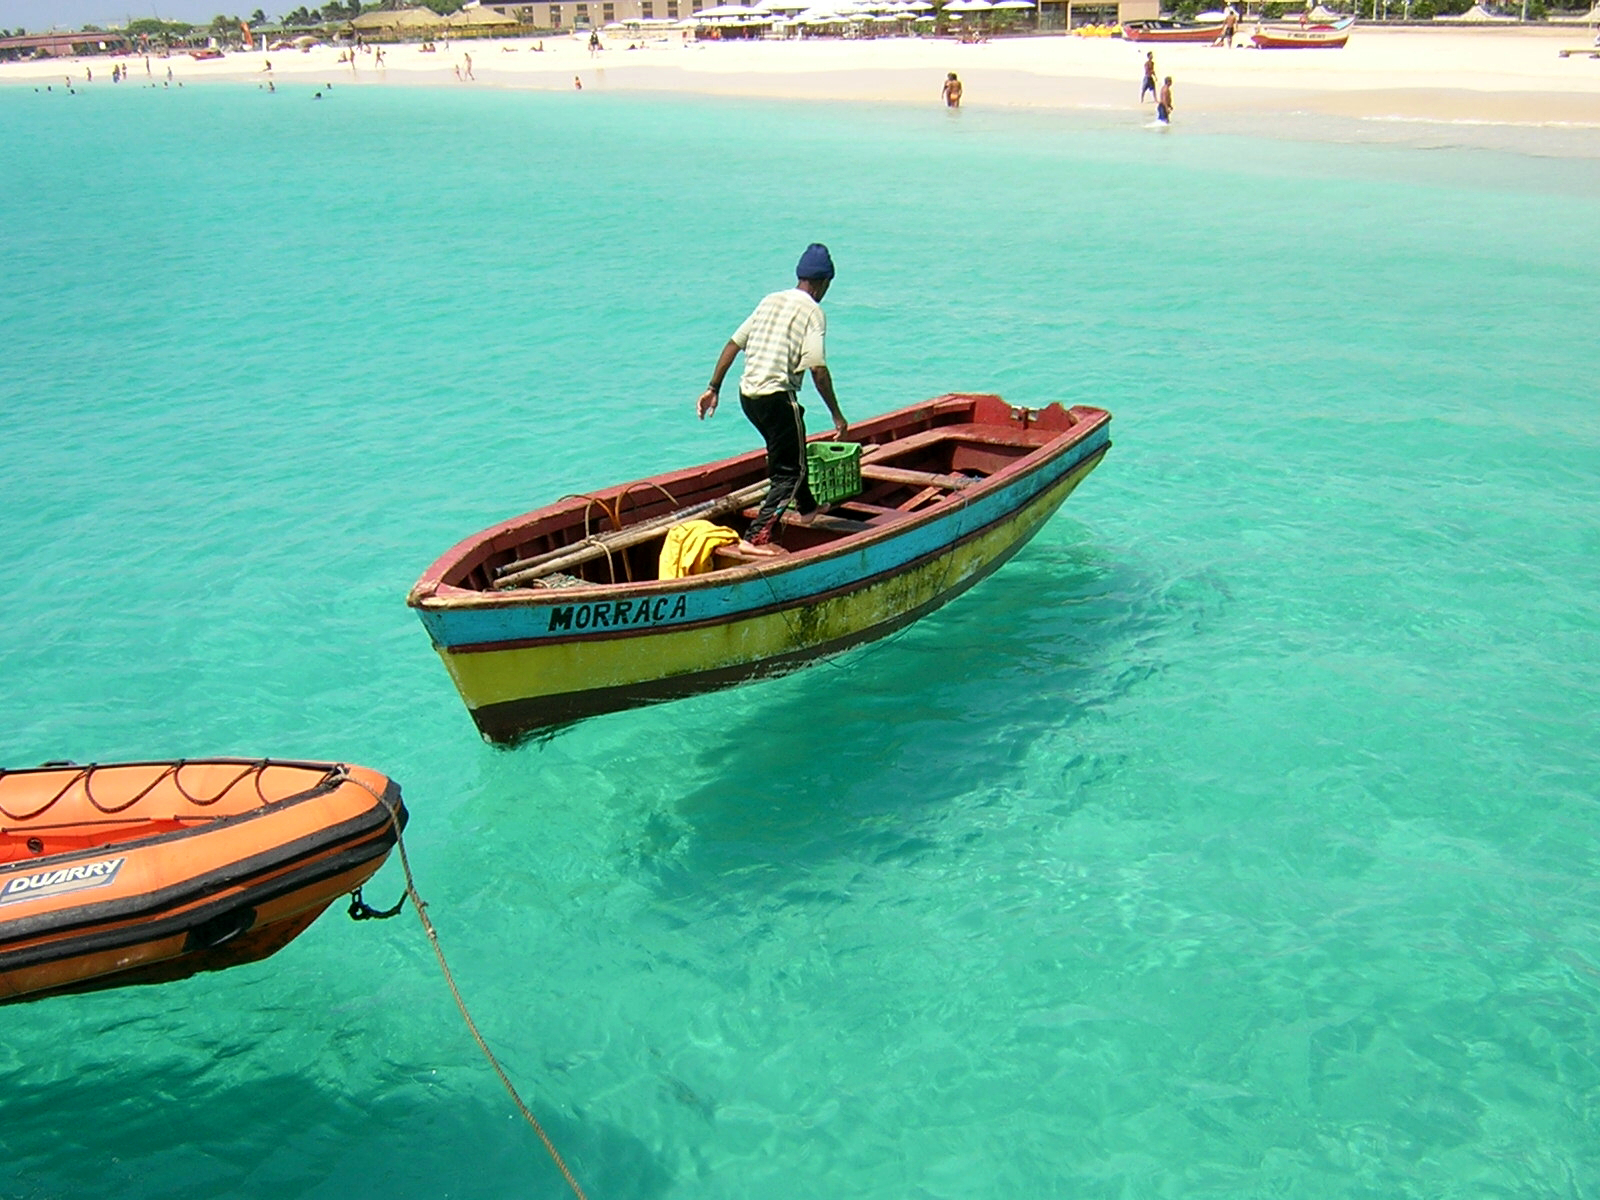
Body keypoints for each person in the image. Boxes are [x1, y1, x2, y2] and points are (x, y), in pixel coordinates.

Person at [697, 244, 849, 549]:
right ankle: (754, 538)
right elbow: (818, 368)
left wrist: (713, 388)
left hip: (748, 396)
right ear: (824, 283)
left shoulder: (770, 300)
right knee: (789, 473)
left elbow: (733, 344)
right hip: (777, 396)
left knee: (790, 452)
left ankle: (807, 509)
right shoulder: (813, 311)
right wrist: (837, 414)